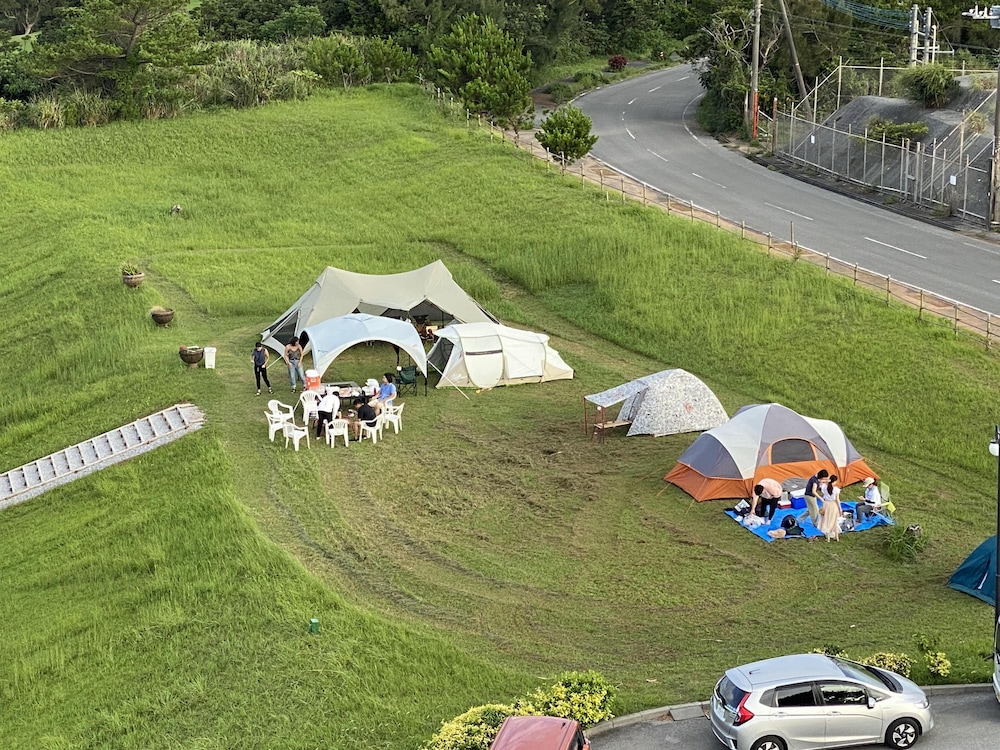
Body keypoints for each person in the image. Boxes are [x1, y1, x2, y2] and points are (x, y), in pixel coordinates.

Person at [818, 474, 842, 541]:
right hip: (833, 505)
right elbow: (837, 500)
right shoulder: (836, 489)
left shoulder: (824, 487)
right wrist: (840, 509)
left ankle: (828, 538)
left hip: (826, 504)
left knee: (826, 520)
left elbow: (820, 483)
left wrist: (826, 481)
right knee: (834, 521)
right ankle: (836, 537)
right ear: (835, 481)